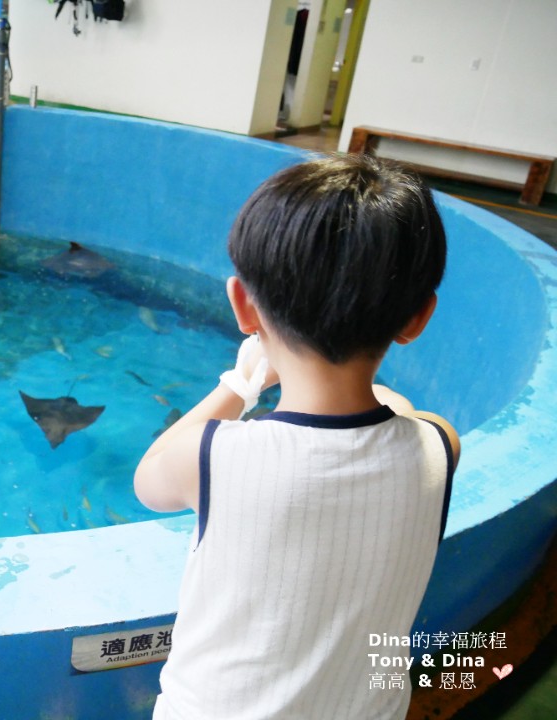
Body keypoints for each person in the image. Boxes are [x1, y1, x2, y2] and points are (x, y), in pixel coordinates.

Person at [134, 154, 460, 720]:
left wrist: (242, 382)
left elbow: (149, 476)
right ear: (418, 318)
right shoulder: (440, 446)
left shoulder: (212, 456)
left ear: (243, 304)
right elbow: (396, 408)